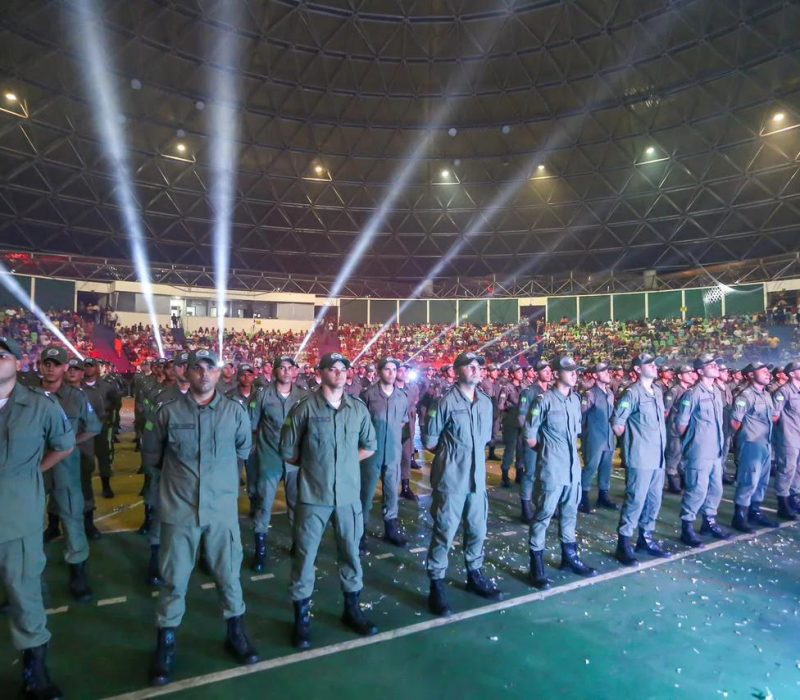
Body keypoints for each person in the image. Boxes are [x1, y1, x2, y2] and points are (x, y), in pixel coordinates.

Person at [142, 349, 258, 686]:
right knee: (173, 578)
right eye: (196, 368)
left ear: (220, 374)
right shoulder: (166, 412)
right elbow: (153, 455)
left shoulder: (235, 413)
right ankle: (165, 643)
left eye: (210, 367)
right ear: (186, 373)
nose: (203, 374)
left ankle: (235, 631)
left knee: (228, 573)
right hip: (179, 509)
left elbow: (242, 450)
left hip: (221, 509)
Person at [280, 352, 378, 649]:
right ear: (319, 372)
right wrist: (316, 466)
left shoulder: (357, 409)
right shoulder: (304, 408)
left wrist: (344, 464)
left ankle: (352, 610)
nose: (338, 373)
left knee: (351, 553)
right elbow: (288, 450)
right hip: (313, 496)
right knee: (305, 558)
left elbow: (369, 446)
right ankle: (301, 619)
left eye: (343, 369)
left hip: (348, 497)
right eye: (332, 368)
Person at [0, 336, 75, 699]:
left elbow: (64, 444)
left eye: (2, 355)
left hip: (18, 518)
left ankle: (35, 668)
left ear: (18, 362)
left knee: (25, 592)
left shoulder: (40, 405)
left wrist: (31, 473)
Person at [424, 352, 501, 616]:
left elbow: (485, 441)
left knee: (477, 530)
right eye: (470, 366)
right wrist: (452, 457)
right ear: (457, 371)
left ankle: (474, 573)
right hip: (452, 479)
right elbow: (430, 441)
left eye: (479, 365)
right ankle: (436, 583)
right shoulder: (444, 401)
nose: (477, 369)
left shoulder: (486, 403)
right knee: (444, 532)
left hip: (477, 480)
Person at [524, 356, 596, 590]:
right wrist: (548, 452)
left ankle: (569, 557)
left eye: (576, 370)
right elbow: (530, 436)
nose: (575, 374)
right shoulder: (543, 400)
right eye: (569, 370)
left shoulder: (575, 399)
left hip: (572, 468)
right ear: (556, 374)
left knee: (570, 514)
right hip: (552, 468)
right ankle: (537, 564)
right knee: (544, 515)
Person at [39, 346, 102, 602]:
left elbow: (93, 427)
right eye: (47, 363)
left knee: (72, 518)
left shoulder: (77, 398)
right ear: (40, 366)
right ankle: (23, 577)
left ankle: (77, 572)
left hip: (66, 466)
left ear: (66, 368)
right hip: (35, 467)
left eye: (56, 363)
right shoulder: (29, 396)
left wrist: (69, 443)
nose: (51, 367)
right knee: (27, 522)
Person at [611, 354, 670, 566]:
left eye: (654, 364)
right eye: (649, 364)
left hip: (658, 456)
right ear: (637, 369)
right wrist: (633, 442)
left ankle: (646, 538)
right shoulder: (632, 393)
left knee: (654, 501)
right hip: (641, 457)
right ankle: (624, 543)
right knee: (635, 500)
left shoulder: (657, 392)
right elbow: (618, 423)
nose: (654, 367)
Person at [251, 356, 307, 572]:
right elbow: (252, 426)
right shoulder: (263, 395)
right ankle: (260, 549)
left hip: (294, 461)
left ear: (295, 371)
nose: (285, 372)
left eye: (289, 368)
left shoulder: (303, 396)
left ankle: (297, 544)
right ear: (274, 371)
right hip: (270, 459)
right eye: (281, 368)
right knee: (264, 505)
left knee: (296, 505)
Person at [674, 354, 730, 546]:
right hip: (699, 451)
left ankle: (709, 521)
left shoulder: (716, 392)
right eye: (710, 364)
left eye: (715, 363)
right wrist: (694, 440)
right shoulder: (692, 394)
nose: (715, 366)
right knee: (697, 489)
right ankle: (687, 527)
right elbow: (681, 424)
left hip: (716, 449)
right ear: (699, 371)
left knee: (716, 489)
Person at [360, 357, 409, 552]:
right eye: (387, 369)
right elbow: (361, 424)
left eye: (394, 369)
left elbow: (403, 422)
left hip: (393, 453)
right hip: (372, 452)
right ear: (379, 371)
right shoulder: (368, 395)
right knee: (366, 493)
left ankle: (391, 529)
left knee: (391, 493)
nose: (391, 373)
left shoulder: (402, 396)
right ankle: (360, 531)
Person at [729, 361, 779, 532]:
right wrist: (745, 438)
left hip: (765, 443)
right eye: (763, 371)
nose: (768, 373)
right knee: (748, 480)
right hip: (751, 444)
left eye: (768, 371)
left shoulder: (765, 394)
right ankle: (740, 516)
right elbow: (735, 422)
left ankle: (755, 512)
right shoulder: (745, 396)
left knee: (762, 481)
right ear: (751, 375)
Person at [579, 361, 617, 514]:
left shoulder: (610, 393)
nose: (608, 373)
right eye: (604, 371)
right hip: (594, 437)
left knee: (606, 467)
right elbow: (579, 415)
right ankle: (582, 497)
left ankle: (603, 495)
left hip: (608, 437)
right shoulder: (590, 394)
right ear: (595, 375)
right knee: (591, 467)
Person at [517, 359, 552, 523]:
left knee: (544, 473)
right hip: (533, 439)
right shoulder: (529, 391)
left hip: (547, 439)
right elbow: (522, 417)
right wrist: (528, 437)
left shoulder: (551, 391)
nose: (548, 373)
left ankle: (541, 504)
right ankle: (526, 507)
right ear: (537, 372)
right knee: (530, 473)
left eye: (549, 370)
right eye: (544, 370)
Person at [81, 358, 121, 498]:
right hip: (83, 429)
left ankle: (106, 486)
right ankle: (85, 488)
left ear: (96, 368)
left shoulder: (106, 386)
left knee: (103, 457)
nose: (88, 369)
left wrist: (110, 419)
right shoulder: (77, 387)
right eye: (86, 366)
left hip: (101, 427)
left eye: (91, 366)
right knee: (85, 459)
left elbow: (116, 402)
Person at [225, 363, 260, 517]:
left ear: (254, 376)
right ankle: (231, 508)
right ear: (238, 376)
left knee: (254, 476)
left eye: (249, 374)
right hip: (234, 442)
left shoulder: (260, 395)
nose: (246, 377)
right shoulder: (229, 396)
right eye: (243, 374)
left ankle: (254, 506)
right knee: (233, 476)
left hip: (254, 440)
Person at [773, 361, 800, 519]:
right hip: (789, 436)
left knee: (798, 470)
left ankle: (794, 497)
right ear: (791, 374)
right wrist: (783, 432)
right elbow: (775, 416)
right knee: (786, 469)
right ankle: (782, 503)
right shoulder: (783, 392)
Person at [663, 365, 695, 494]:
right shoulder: (674, 390)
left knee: (683, 456)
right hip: (674, 429)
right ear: (680, 376)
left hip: (686, 429)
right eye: (687, 373)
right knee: (673, 456)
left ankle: (682, 481)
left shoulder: (690, 390)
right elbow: (666, 411)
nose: (691, 375)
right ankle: (672, 483)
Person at [497, 364, 525, 487]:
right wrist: (510, 406)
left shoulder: (524, 387)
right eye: (518, 372)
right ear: (513, 374)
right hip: (510, 422)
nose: (521, 374)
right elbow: (500, 405)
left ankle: (519, 474)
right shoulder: (507, 388)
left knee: (521, 450)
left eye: (521, 372)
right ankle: (505, 475)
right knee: (510, 449)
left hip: (522, 422)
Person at [395, 363, 420, 501]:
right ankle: (390, 489)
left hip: (407, 428)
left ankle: (405, 487)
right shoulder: (389, 388)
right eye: (401, 370)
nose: (404, 373)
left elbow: (415, 401)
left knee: (406, 458)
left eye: (406, 371)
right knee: (391, 460)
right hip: (393, 428)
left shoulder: (412, 387)